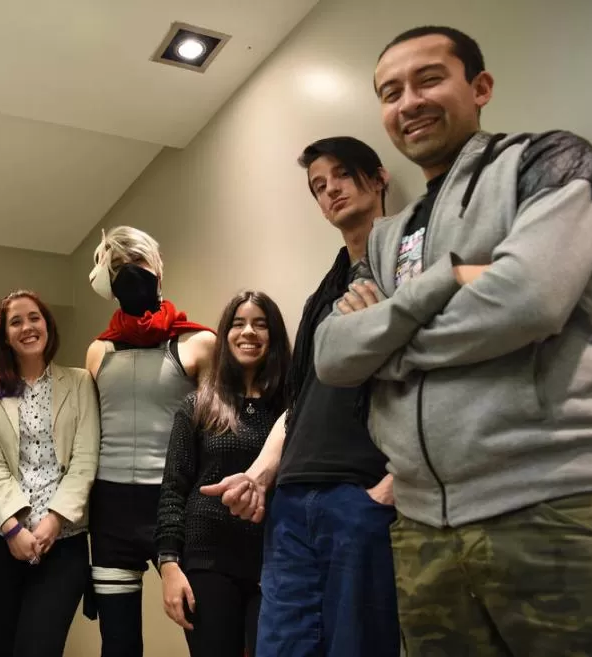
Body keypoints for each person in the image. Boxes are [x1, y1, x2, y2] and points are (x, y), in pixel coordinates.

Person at [312, 26, 592, 656]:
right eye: (390, 92)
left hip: (555, 506)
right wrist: (444, 282)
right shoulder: (387, 238)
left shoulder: (548, 161)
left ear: (479, 88)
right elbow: (334, 355)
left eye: (428, 80)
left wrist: (387, 345)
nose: (408, 102)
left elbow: (529, 299)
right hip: (422, 529)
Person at [203, 138, 401, 656]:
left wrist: (395, 485)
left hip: (359, 497)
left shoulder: (408, 265)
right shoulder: (324, 292)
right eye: (318, 185)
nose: (330, 189)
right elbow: (298, 404)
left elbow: (440, 379)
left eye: (340, 174)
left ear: (378, 177)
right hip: (291, 504)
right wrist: (261, 475)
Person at [85, 226, 215, 657]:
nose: (130, 273)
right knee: (118, 645)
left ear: (158, 269)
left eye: (138, 263)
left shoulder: (198, 343)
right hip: (111, 511)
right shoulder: (98, 352)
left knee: (206, 634)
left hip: (174, 505)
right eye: (119, 266)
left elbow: (215, 432)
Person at [155, 290, 290, 657]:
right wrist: (169, 566)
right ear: (225, 334)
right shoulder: (197, 405)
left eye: (261, 325)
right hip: (207, 562)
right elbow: (173, 488)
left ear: (274, 337)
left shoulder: (292, 409)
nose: (249, 332)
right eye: (239, 323)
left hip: (274, 561)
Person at [0, 290, 99, 657]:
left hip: (64, 541)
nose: (27, 327)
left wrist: (53, 522)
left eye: (34, 317)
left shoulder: (80, 382)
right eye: (16, 321)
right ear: (5, 335)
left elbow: (85, 460)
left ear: (47, 325)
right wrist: (13, 528)